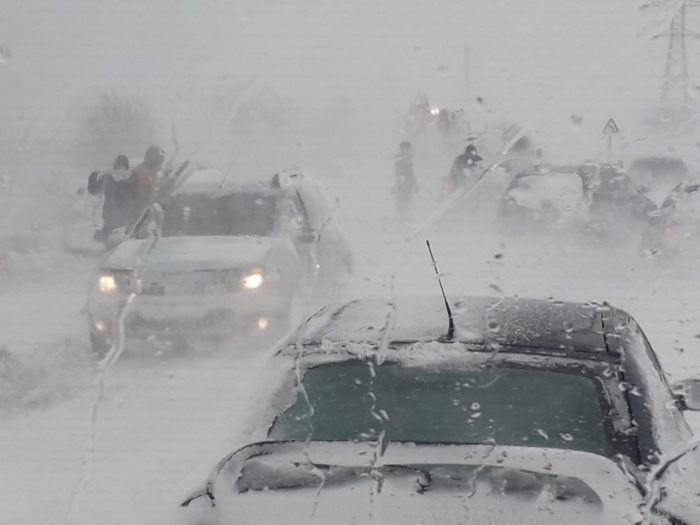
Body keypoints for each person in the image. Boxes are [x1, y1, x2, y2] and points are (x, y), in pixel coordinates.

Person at [89, 154, 132, 242]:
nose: (120, 168)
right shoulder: (108, 175)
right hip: (111, 207)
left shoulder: (127, 177)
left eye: (122, 165)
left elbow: (130, 194)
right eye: (119, 165)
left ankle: (101, 240)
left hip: (120, 208)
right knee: (109, 226)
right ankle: (98, 241)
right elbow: (98, 190)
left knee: (114, 226)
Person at [127, 145, 166, 229]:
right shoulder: (142, 170)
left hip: (148, 203)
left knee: (156, 214)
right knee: (140, 218)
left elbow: (156, 185)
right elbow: (148, 185)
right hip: (140, 202)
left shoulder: (156, 170)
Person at [393, 141, 417, 215]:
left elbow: (413, 173)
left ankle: (403, 215)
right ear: (402, 149)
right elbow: (398, 174)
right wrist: (399, 184)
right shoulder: (399, 161)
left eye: (408, 149)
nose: (408, 150)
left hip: (409, 183)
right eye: (406, 149)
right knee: (402, 199)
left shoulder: (410, 159)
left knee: (407, 199)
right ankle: (400, 215)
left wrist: (415, 183)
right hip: (404, 183)